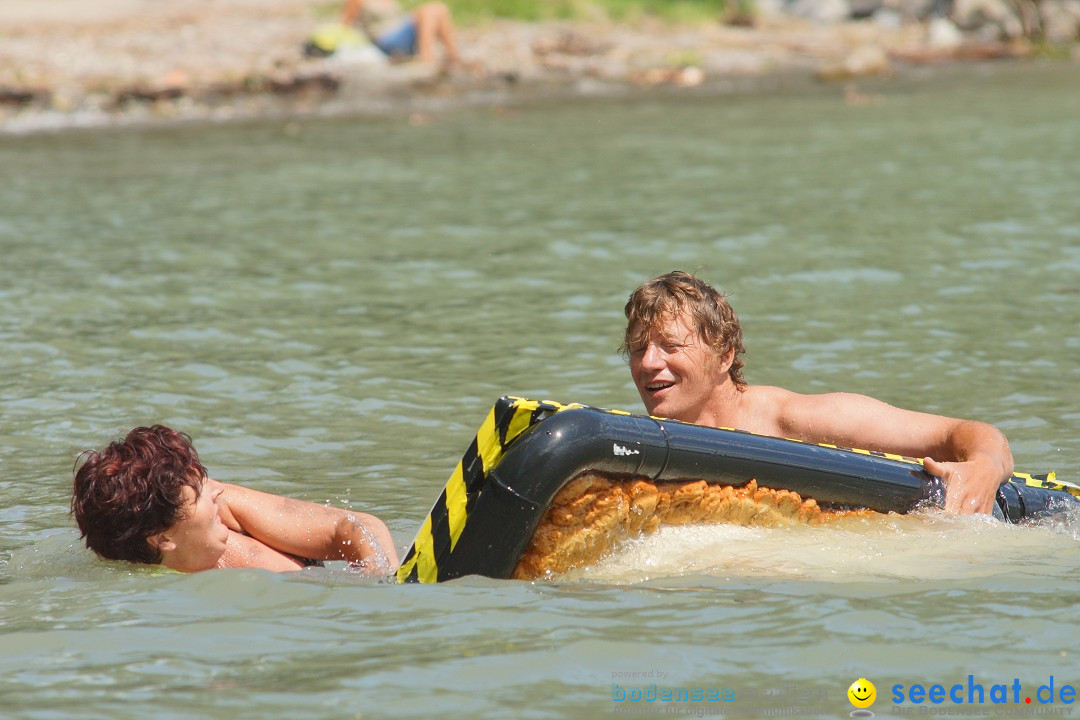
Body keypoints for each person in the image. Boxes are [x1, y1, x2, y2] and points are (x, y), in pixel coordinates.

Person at [621, 271, 1014, 516]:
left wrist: (985, 467)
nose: (649, 363)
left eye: (671, 346)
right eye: (639, 349)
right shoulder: (637, 446)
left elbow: (965, 432)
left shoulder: (795, 421)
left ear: (725, 356)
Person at [71, 425, 399, 574]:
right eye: (199, 493)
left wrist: (380, 579)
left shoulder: (224, 509)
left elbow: (353, 526)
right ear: (163, 538)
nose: (216, 490)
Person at [340, 0, 462, 67]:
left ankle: (453, 56)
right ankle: (427, 57)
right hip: (385, 40)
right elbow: (346, 25)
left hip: (400, 35)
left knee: (439, 8)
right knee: (430, 10)